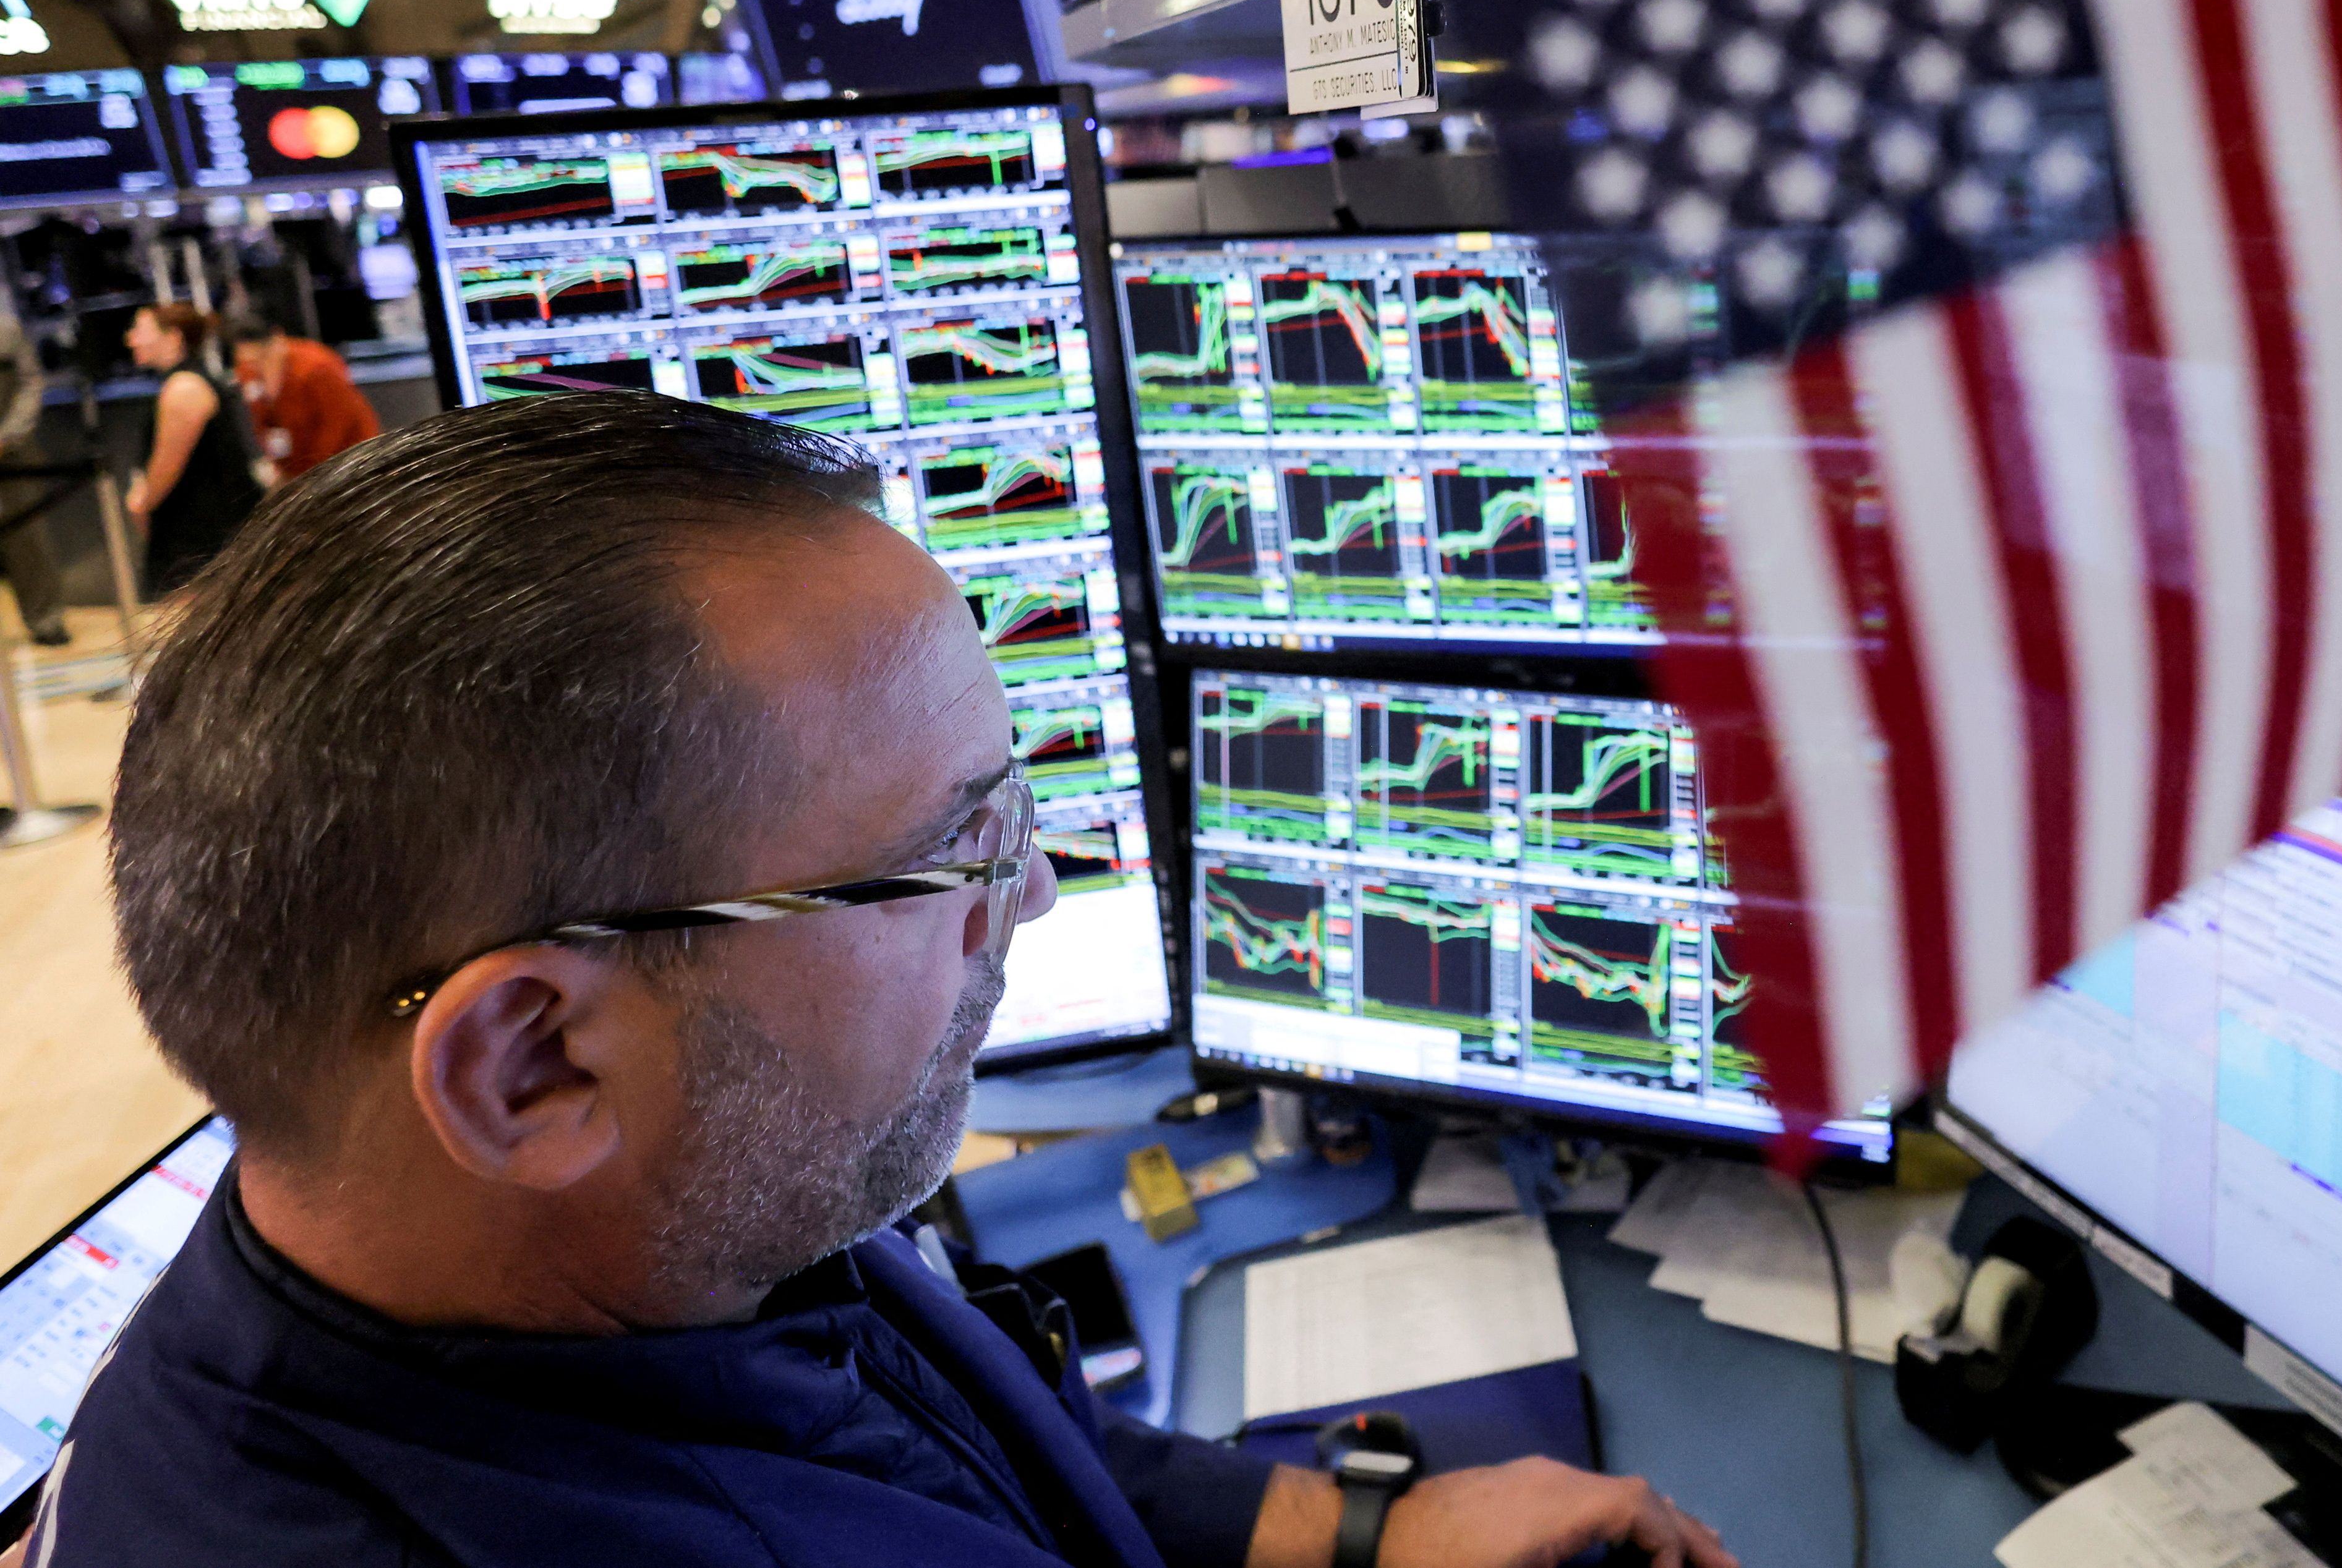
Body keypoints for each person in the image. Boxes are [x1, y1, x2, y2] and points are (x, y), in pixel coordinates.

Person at [36, 394, 1732, 1568]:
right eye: (956, 857)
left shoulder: (625, 1222)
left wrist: (1359, 1528)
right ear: (529, 1066)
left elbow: (933, 1429)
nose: (1035, 895)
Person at [118, 304, 264, 599]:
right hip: (203, 525)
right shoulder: (182, 381)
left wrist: (144, 501)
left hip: (207, 530)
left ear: (173, 338)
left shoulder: (185, 387)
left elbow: (167, 466)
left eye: (140, 331)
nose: (130, 339)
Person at [225, 311, 383, 480]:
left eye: (263, 358)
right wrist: (281, 465)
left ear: (278, 339)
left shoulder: (317, 366)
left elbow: (338, 423)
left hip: (347, 459)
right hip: (296, 465)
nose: (257, 367)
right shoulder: (248, 370)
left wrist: (314, 474)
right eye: (251, 362)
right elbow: (262, 420)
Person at [0, 304, 69, 648]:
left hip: (12, 455)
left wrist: (9, 435)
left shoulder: (6, 328)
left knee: (28, 540)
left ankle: (47, 620)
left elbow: (30, 383)